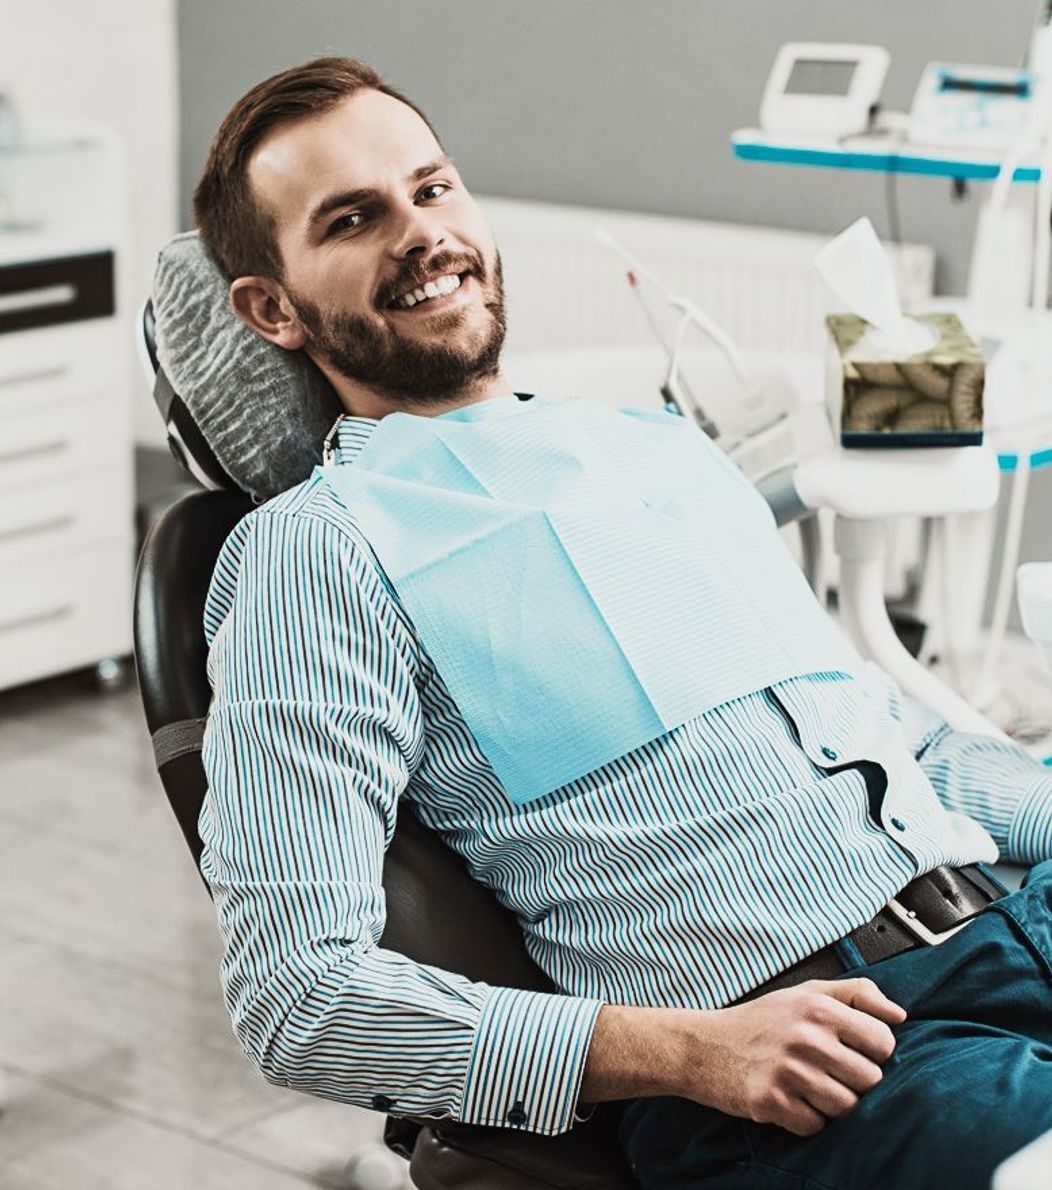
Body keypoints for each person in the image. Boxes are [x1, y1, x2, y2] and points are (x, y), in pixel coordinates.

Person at [193, 56, 1052, 1189]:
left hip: (1005, 914)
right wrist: (685, 1049)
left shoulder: (658, 445)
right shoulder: (318, 551)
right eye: (353, 218)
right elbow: (295, 992)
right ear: (273, 307)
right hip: (813, 1052)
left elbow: (909, 744)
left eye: (432, 188)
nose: (418, 231)